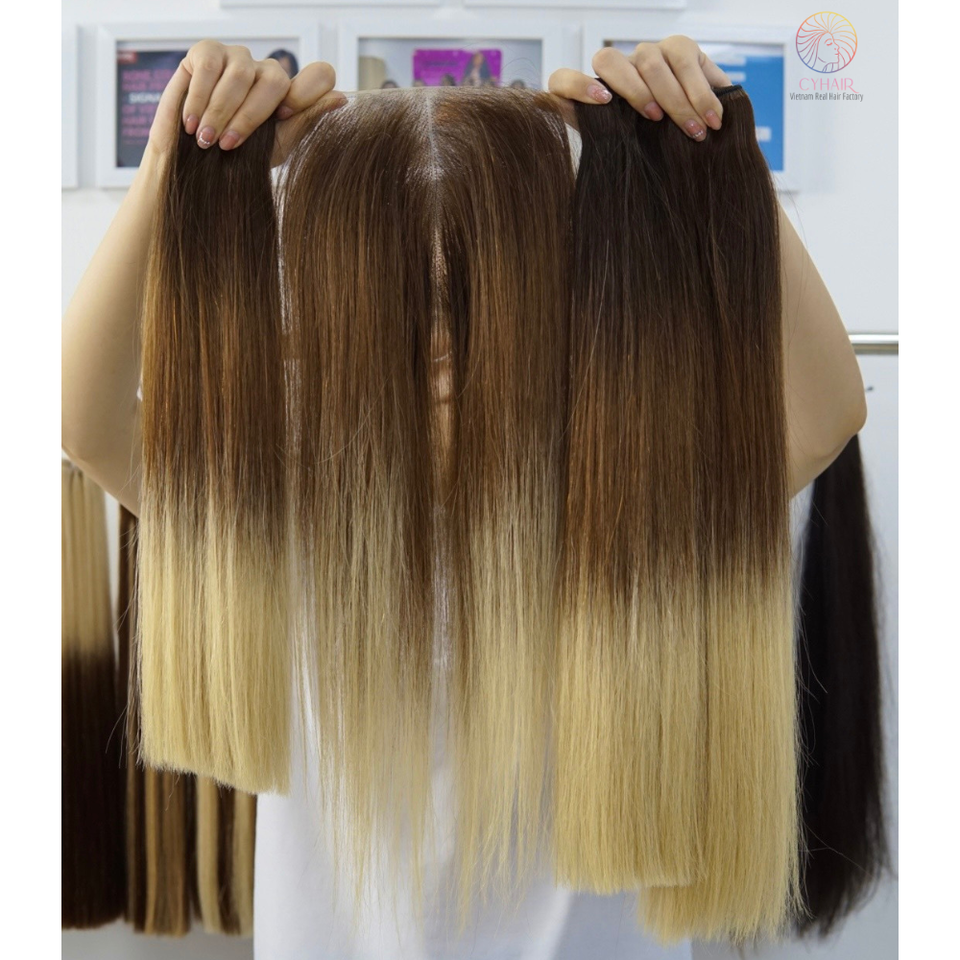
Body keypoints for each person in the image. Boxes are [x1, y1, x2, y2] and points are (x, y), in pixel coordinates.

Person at [61, 36, 866, 960]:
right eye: (405, 305)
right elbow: (87, 425)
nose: (442, 347)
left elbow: (827, 414)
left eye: (478, 302)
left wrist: (723, 163)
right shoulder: (283, 475)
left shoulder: (624, 470)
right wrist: (170, 170)